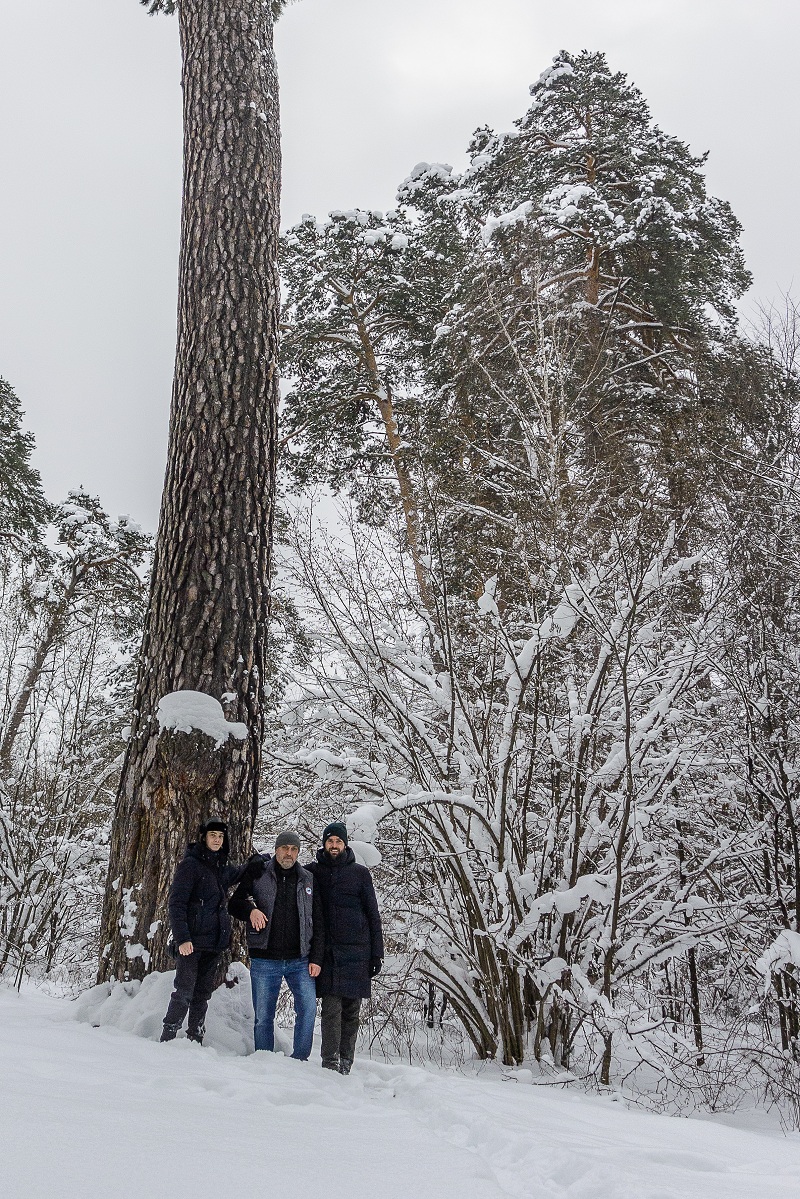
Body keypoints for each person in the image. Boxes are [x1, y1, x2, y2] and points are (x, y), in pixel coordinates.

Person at [228, 830, 325, 1061]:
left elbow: (319, 921)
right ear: (276, 849)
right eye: (284, 848)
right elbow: (234, 903)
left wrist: (316, 958)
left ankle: (299, 1060)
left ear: (298, 852)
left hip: (300, 959)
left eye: (293, 849)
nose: (288, 854)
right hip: (265, 958)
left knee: (308, 1010)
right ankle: (264, 1061)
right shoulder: (259, 873)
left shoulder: (308, 879)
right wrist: (251, 911)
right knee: (263, 1016)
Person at [160, 817, 255, 1044]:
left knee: (202, 993)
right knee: (183, 991)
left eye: (221, 836)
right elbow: (177, 903)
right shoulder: (190, 865)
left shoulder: (221, 865)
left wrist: (254, 864)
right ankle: (168, 1035)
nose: (217, 840)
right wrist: (182, 938)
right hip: (190, 942)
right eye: (213, 835)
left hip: (213, 942)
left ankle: (195, 1036)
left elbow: (238, 874)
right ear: (204, 837)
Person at [307, 821, 384, 1075]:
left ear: (345, 844)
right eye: (330, 841)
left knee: (351, 1011)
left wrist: (377, 953)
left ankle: (346, 1061)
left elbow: (373, 915)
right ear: (324, 844)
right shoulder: (313, 872)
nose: (334, 845)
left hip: (358, 952)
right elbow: (285, 868)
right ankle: (330, 1063)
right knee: (331, 1010)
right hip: (328, 953)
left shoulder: (360, 874)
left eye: (338, 841)